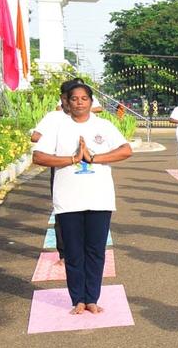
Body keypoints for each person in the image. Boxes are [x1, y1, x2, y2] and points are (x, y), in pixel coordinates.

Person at [32, 81, 133, 315]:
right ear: (67, 101)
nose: (79, 103)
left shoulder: (104, 126)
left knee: (96, 251)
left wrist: (93, 158)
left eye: (84, 99)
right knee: (74, 252)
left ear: (91, 101)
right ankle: (77, 299)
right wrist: (73, 159)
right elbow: (39, 156)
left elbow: (126, 150)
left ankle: (92, 298)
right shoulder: (58, 126)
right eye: (74, 98)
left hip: (99, 198)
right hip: (68, 200)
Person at [31, 81, 75, 265]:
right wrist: (56, 141)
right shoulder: (54, 117)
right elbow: (35, 135)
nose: (74, 102)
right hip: (60, 168)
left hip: (86, 171)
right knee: (62, 210)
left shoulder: (86, 118)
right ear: (62, 98)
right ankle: (65, 253)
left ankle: (83, 251)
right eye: (69, 98)